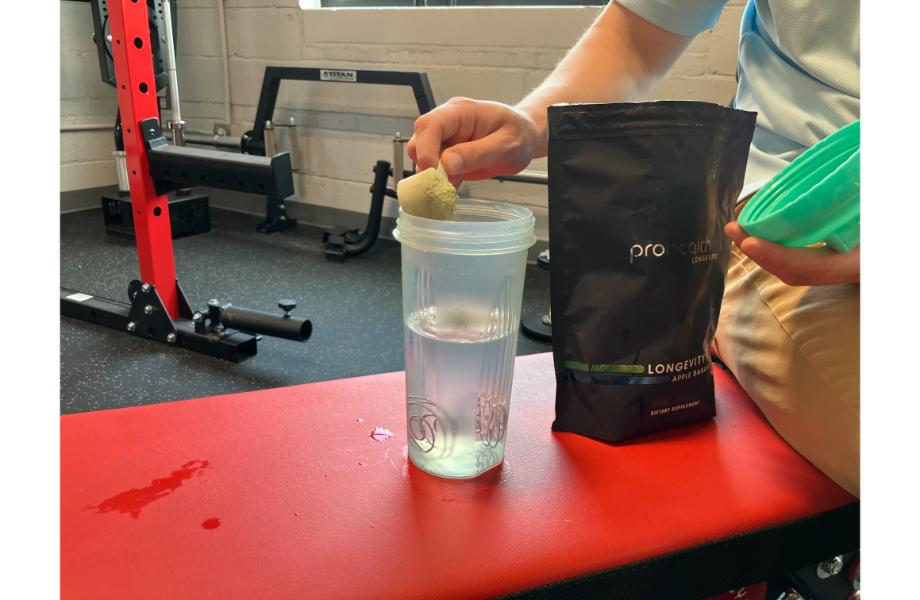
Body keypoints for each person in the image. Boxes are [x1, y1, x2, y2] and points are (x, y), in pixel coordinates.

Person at [408, 0, 860, 496]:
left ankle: (698, 321)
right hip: (790, 224)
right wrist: (530, 125)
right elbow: (637, 38)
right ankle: (709, 313)